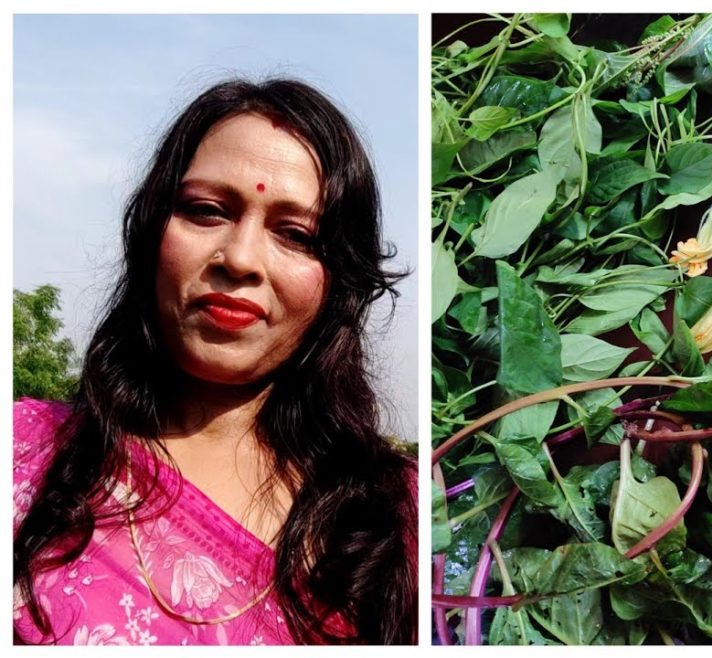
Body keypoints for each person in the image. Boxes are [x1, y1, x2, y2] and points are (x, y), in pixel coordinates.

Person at [13, 79, 418, 645]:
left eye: (296, 235)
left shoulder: (396, 517)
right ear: (151, 232)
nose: (241, 259)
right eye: (206, 211)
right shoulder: (24, 453)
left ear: (340, 283)